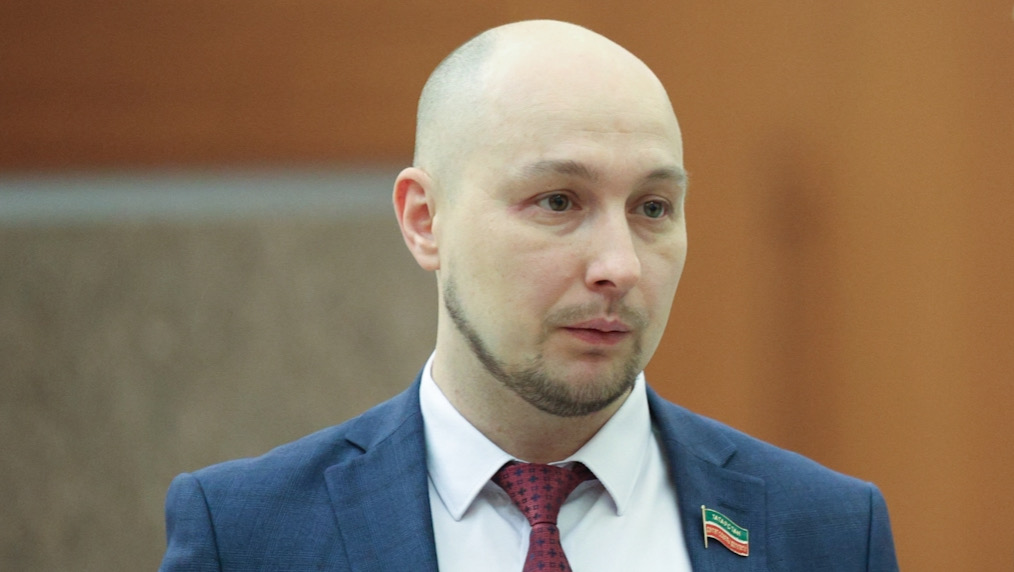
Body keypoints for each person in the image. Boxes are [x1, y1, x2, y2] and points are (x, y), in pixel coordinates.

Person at [159, 20, 898, 571]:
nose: (620, 266)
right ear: (425, 221)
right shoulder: (248, 536)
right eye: (558, 201)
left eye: (652, 208)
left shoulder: (825, 533)